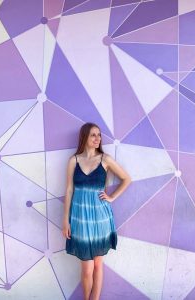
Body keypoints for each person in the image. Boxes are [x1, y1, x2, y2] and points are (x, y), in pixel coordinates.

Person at [62, 122, 132, 300]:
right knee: (87, 269)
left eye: (99, 135)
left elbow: (126, 179)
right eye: (93, 135)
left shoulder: (105, 159)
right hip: (79, 218)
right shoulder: (74, 160)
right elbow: (69, 190)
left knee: (98, 264)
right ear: (84, 136)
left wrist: (112, 197)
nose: (97, 138)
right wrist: (65, 220)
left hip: (100, 216)